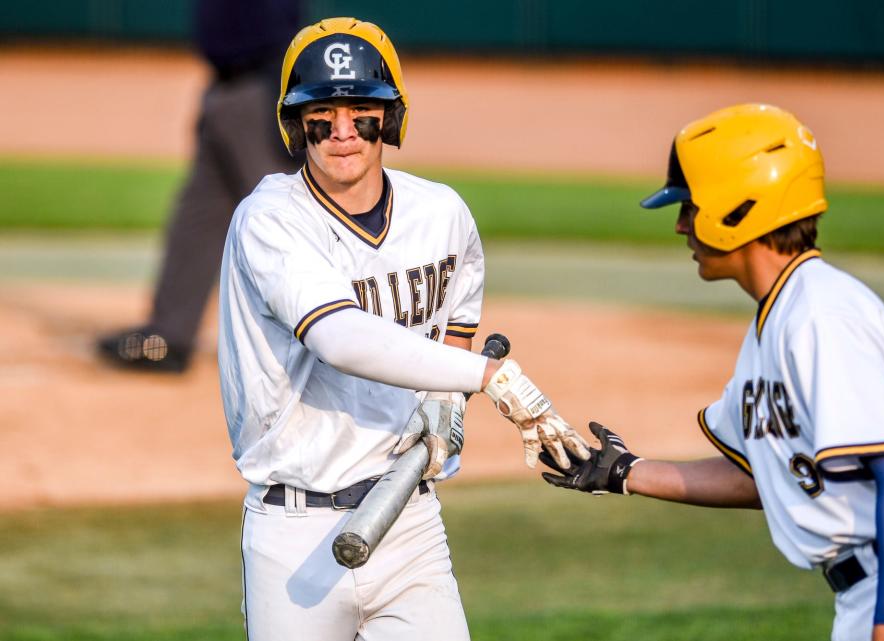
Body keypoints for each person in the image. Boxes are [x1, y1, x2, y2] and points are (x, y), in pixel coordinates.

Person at [217, 17, 590, 641]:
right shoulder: (271, 219)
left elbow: (457, 319)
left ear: (389, 118)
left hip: (410, 526)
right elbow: (340, 339)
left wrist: (446, 399)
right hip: (294, 533)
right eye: (321, 112)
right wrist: (485, 378)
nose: (341, 131)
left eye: (361, 110)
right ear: (294, 122)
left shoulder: (440, 212)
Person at [541, 104, 884, 641]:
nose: (679, 225)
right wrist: (627, 472)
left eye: (690, 208)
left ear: (736, 210)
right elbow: (762, 474)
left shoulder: (822, 316)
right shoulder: (778, 320)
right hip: (879, 590)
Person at [96, 0, 302, 372]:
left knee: (285, 222)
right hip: (225, 84)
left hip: (263, 83)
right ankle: (169, 336)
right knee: (199, 215)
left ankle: (338, 337)